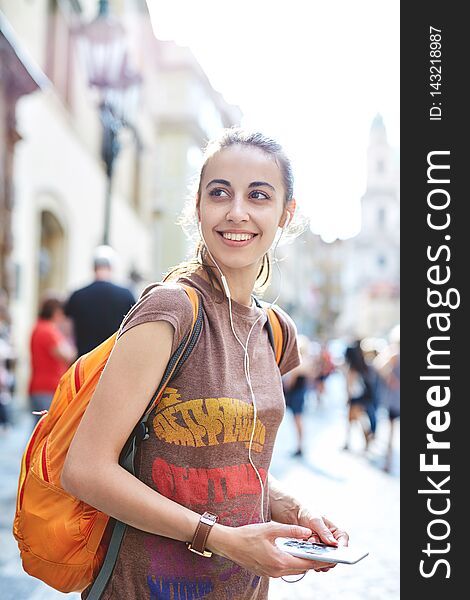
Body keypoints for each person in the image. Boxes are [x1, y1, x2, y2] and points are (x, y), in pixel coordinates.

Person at [62, 128, 348, 600]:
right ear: (198, 206)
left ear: (285, 213)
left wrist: (296, 511)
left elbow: (236, 462)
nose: (237, 212)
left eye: (259, 195)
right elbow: (86, 470)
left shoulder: (276, 330)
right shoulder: (171, 310)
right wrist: (221, 539)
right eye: (220, 193)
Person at [64, 245, 136, 357]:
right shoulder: (126, 294)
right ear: (112, 267)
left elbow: (67, 330)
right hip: (112, 361)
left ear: (93, 267)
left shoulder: (77, 295)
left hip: (84, 362)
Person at [29, 294, 76, 423]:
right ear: (56, 312)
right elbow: (68, 355)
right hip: (47, 387)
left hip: (40, 386)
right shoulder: (48, 330)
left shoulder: (38, 327)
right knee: (45, 431)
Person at [374, 325, 400, 472]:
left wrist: (390, 378)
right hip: (396, 398)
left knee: (391, 432)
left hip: (395, 399)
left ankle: (388, 463)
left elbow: (378, 365)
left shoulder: (394, 353)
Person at [283, 334, 311, 457]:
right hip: (300, 393)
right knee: (298, 420)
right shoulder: (307, 361)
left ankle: (300, 446)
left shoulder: (298, 362)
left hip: (294, 394)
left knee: (297, 420)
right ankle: (300, 445)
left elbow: (290, 381)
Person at [343, 340, 373, 451]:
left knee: (358, 420)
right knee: (353, 420)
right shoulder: (361, 365)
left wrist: (348, 397)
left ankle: (367, 437)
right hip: (360, 397)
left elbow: (350, 386)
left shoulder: (352, 369)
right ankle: (349, 442)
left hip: (355, 398)